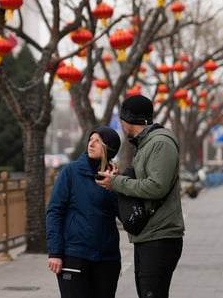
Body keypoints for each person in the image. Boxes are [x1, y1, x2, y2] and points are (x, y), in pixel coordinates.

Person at [96, 94, 184, 298]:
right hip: (150, 234)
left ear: (128, 120)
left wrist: (116, 183)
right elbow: (145, 180)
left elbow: (157, 187)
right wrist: (120, 177)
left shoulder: (160, 143)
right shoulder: (146, 144)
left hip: (160, 237)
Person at [47, 126, 122, 298]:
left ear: (109, 148)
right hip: (74, 254)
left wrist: (116, 186)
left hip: (107, 258)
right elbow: (54, 212)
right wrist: (55, 252)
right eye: (90, 140)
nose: (91, 144)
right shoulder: (70, 172)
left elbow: (123, 216)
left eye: (98, 141)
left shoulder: (115, 178)